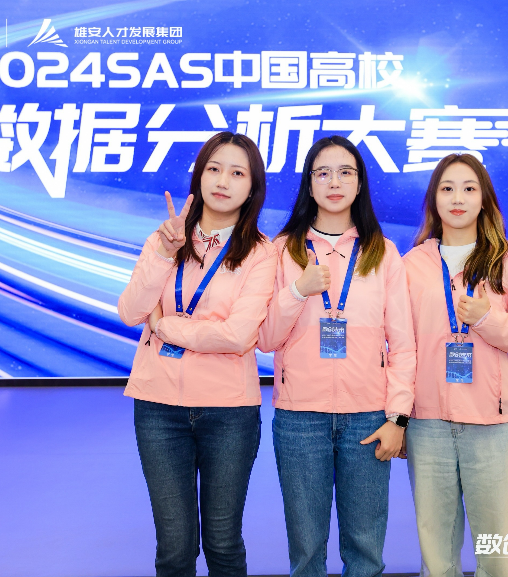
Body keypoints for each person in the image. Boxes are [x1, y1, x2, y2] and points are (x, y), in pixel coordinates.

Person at [118, 132, 278, 577]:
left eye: (237, 172)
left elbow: (238, 335)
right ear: (199, 176)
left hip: (228, 412)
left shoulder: (261, 253)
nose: (223, 181)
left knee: (223, 542)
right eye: (214, 168)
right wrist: (164, 254)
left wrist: (165, 326)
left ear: (253, 187)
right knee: (174, 547)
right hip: (158, 406)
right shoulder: (165, 238)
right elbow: (130, 312)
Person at [258, 135, 416, 577]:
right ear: (309, 184)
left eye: (345, 172)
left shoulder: (382, 252)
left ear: (359, 184)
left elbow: (404, 345)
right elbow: (265, 338)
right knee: (306, 551)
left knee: (365, 551)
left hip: (368, 418)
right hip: (299, 417)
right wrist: (297, 291)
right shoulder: (281, 251)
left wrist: (398, 418)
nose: (334, 182)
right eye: (322, 172)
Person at [402, 153, 508, 577]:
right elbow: (399, 346)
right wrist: (399, 415)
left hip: (492, 426)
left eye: (469, 188)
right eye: (447, 189)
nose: (458, 198)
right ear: (434, 200)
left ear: (484, 199)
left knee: (495, 554)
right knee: (437, 558)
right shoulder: (411, 265)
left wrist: (486, 318)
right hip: (428, 425)